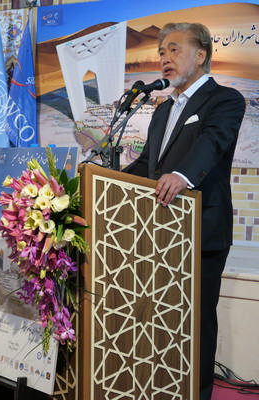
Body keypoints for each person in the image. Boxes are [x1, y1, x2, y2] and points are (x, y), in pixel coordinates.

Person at [122, 22, 246, 400]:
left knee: (196, 323)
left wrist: (182, 174)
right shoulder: (162, 111)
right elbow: (147, 165)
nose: (165, 58)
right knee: (159, 319)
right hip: (158, 230)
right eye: (162, 52)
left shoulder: (225, 99)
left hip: (202, 229)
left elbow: (213, 142)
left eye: (174, 50)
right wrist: (99, 176)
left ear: (201, 55)